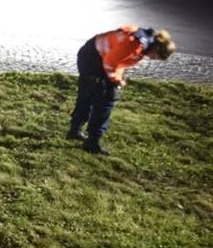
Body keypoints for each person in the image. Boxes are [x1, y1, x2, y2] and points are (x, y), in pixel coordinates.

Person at [68, 25, 176, 155]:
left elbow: (119, 61)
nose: (153, 59)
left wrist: (118, 77)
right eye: (156, 57)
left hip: (92, 53)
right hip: (94, 58)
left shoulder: (145, 41)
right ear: (157, 49)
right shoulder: (136, 44)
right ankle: (92, 142)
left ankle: (75, 131)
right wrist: (115, 79)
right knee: (105, 100)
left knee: (89, 94)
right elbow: (110, 62)